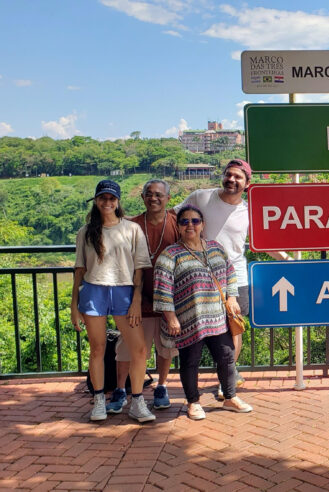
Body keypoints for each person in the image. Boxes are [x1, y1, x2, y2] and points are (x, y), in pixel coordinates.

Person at [175, 159, 289, 398]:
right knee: (198, 330)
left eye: (238, 177)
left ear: (247, 183)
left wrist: (288, 261)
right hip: (199, 277)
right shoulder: (201, 197)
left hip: (235, 277)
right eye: (229, 174)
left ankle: (225, 379)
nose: (232, 180)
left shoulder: (248, 211)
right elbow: (172, 220)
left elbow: (263, 243)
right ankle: (195, 387)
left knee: (233, 329)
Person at [153, 205, 253, 420]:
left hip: (217, 318)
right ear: (178, 227)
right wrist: (171, 317)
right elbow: (162, 289)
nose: (190, 225)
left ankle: (229, 397)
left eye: (195, 221)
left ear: (203, 225)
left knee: (226, 357)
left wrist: (232, 297)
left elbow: (230, 273)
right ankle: (193, 402)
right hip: (190, 319)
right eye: (185, 221)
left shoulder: (215, 248)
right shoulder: (170, 254)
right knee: (191, 361)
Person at [70, 180, 155, 422]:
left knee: (139, 349)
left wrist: (136, 300)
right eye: (102, 198)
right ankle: (98, 401)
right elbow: (79, 270)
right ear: (96, 200)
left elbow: (140, 269)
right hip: (93, 291)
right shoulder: (86, 232)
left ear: (118, 202)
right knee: (97, 348)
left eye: (111, 198)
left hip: (123, 292)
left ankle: (137, 402)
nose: (107, 202)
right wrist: (73, 306)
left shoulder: (131, 229)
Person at [107, 179, 179, 414]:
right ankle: (120, 389)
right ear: (143, 198)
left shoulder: (177, 223)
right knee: (127, 347)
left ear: (168, 198)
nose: (154, 198)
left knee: (166, 347)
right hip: (136, 299)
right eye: (149, 194)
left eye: (159, 194)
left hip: (169, 299)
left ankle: (162, 385)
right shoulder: (132, 225)